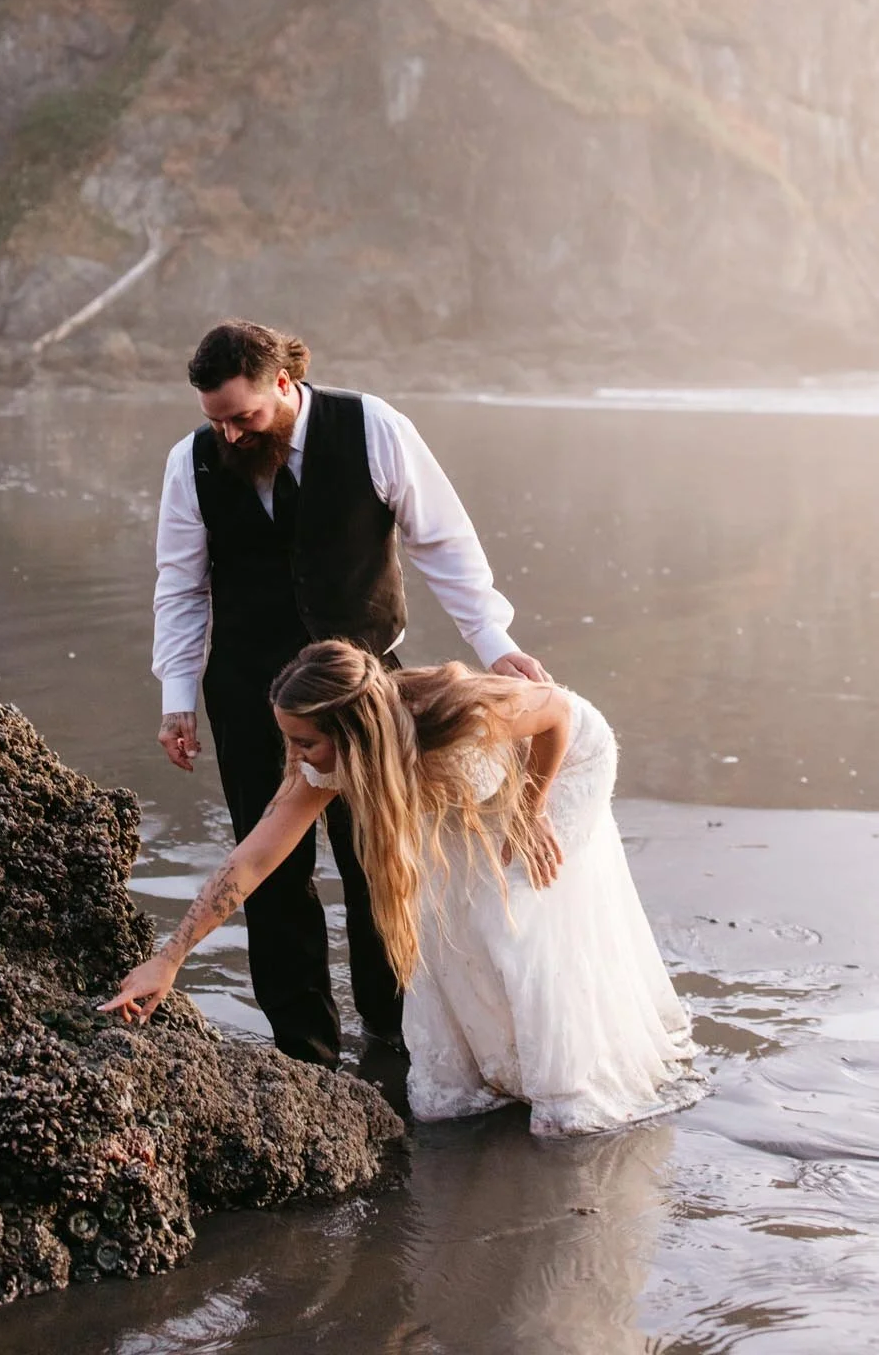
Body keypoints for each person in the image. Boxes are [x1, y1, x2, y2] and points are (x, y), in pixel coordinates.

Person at [152, 318, 546, 1068]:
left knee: (379, 864)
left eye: (244, 417)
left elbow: (445, 543)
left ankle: (394, 1039)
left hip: (368, 692)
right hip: (247, 694)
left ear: (283, 384)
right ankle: (305, 1056)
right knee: (270, 874)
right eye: (215, 420)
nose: (230, 436)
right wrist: (177, 697)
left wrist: (496, 644)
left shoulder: (374, 428)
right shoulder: (192, 461)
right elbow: (180, 585)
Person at [106, 642, 700, 1137]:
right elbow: (254, 859)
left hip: (561, 768)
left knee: (510, 915)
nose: (292, 756)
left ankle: (565, 1079)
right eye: (287, 739)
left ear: (355, 734)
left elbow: (557, 717)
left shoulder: (456, 713)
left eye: (304, 742)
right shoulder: (328, 765)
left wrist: (530, 803)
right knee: (452, 915)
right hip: (473, 787)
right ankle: (498, 1065)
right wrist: (169, 958)